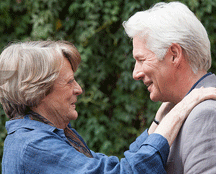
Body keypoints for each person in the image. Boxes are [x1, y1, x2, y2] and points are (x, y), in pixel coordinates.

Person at [0, 41, 216, 174]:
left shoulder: (46, 136)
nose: (79, 89)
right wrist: (182, 109)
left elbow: (110, 167)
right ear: (39, 92)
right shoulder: (33, 147)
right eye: (69, 82)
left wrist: (158, 122)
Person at [123, 1, 216, 173]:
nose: (135, 74)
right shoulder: (176, 110)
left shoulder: (205, 114)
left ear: (174, 54)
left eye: (141, 60)